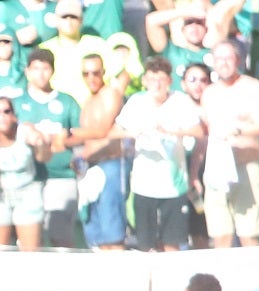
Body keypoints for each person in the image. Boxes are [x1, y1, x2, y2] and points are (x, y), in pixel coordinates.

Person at [107, 56, 203, 251]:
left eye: (161, 80)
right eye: (152, 80)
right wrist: (134, 132)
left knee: (172, 243)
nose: (156, 85)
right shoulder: (136, 102)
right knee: (145, 244)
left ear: (169, 81)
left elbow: (198, 132)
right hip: (144, 185)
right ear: (144, 81)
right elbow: (113, 133)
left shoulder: (180, 101)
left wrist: (173, 131)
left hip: (174, 185)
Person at [14, 48, 83, 248]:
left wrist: (63, 139)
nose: (40, 73)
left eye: (45, 68)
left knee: (60, 237)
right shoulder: (17, 104)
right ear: (27, 71)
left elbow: (81, 134)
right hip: (26, 179)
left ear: (52, 71)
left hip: (60, 176)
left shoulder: (66, 101)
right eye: (35, 68)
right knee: (29, 241)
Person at [199, 40, 259, 248]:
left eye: (228, 58)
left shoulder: (252, 87)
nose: (223, 63)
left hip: (245, 165)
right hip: (217, 168)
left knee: (249, 233)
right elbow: (204, 132)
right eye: (219, 59)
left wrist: (237, 129)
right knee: (220, 235)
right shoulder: (209, 93)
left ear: (237, 60)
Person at [0, 96, 51, 250]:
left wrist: (41, 144)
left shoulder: (25, 130)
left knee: (30, 250)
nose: (2, 116)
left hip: (27, 192)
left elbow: (44, 157)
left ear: (13, 115)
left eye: (7, 111)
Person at [66, 53, 128, 250]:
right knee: (96, 234)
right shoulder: (88, 101)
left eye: (95, 73)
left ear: (104, 73)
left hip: (111, 165)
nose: (91, 78)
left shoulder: (110, 94)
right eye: (86, 73)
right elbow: (89, 139)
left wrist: (67, 135)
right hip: (91, 167)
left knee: (113, 233)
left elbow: (103, 130)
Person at [40, 0, 110, 105]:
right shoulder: (44, 50)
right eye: (64, 17)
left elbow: (111, 78)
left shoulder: (98, 45)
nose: (69, 21)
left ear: (81, 20)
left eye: (73, 17)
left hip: (92, 108)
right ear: (56, 20)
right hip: (56, 110)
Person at [181, 62, 214, 248]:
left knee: (200, 224)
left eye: (203, 80)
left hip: (206, 168)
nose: (198, 84)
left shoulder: (213, 106)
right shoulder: (176, 105)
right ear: (183, 83)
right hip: (179, 165)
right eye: (192, 79)